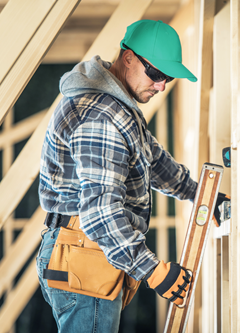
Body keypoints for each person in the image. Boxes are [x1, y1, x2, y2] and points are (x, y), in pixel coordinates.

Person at [36, 20, 201, 332]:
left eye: (167, 78)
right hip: (86, 251)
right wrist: (153, 272)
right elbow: (101, 214)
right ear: (128, 58)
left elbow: (151, 159)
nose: (161, 85)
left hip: (84, 251)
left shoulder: (117, 108)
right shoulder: (101, 117)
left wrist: (199, 194)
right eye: (156, 74)